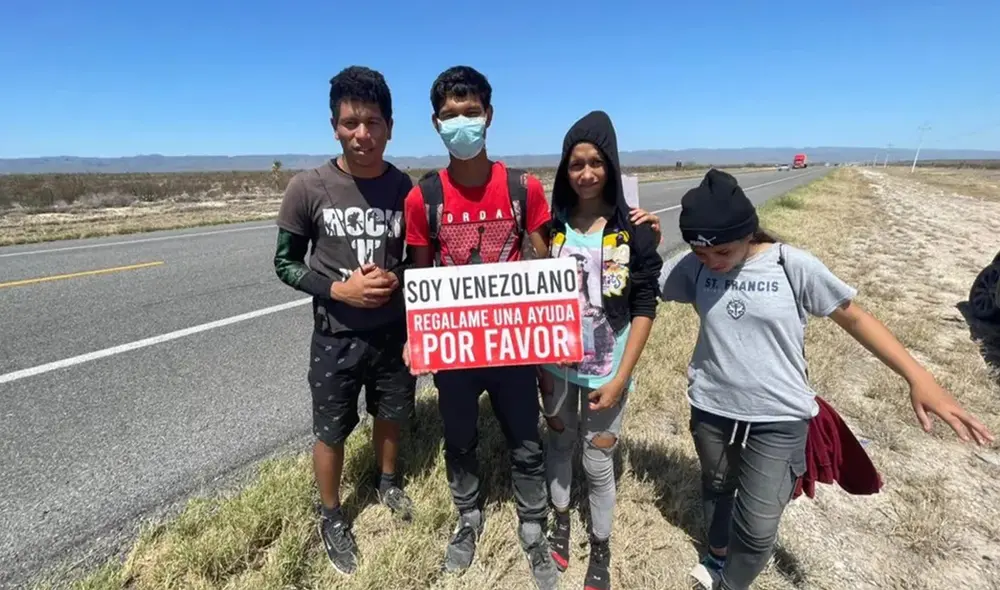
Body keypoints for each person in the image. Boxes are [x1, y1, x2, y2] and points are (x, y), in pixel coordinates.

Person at [651, 169, 995, 590]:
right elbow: (641, 285)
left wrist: (918, 376)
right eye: (702, 254)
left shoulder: (792, 265)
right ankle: (717, 554)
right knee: (718, 485)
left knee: (758, 530)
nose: (712, 264)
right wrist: (635, 242)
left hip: (779, 418)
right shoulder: (695, 265)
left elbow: (855, 317)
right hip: (710, 407)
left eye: (721, 251)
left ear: (748, 232)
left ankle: (730, 583)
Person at [401, 65, 560, 589]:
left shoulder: (524, 189)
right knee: (460, 437)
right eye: (451, 116)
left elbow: (544, 264)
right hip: (456, 352)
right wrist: (415, 335)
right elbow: (421, 275)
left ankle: (533, 528)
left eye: (471, 113)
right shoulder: (423, 197)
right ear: (435, 124)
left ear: (489, 115)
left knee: (525, 439)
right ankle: (467, 516)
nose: (462, 123)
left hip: (514, 347)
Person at [273, 65, 417, 576]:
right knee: (331, 428)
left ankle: (387, 481)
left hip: (394, 333)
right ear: (334, 125)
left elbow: (421, 259)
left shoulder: (405, 188)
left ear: (391, 126)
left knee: (392, 412)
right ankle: (330, 513)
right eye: (351, 123)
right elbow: (285, 263)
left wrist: (397, 281)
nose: (363, 135)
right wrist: (339, 289)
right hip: (335, 336)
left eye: (373, 122)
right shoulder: (308, 188)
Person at [536, 111, 662, 590]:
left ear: (610, 164)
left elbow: (646, 306)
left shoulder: (633, 232)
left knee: (598, 457)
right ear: (564, 171)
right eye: (575, 164)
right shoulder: (555, 229)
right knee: (560, 445)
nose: (586, 173)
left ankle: (602, 544)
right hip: (557, 367)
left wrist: (621, 377)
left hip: (607, 365)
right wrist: (541, 370)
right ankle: (562, 520)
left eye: (595, 162)